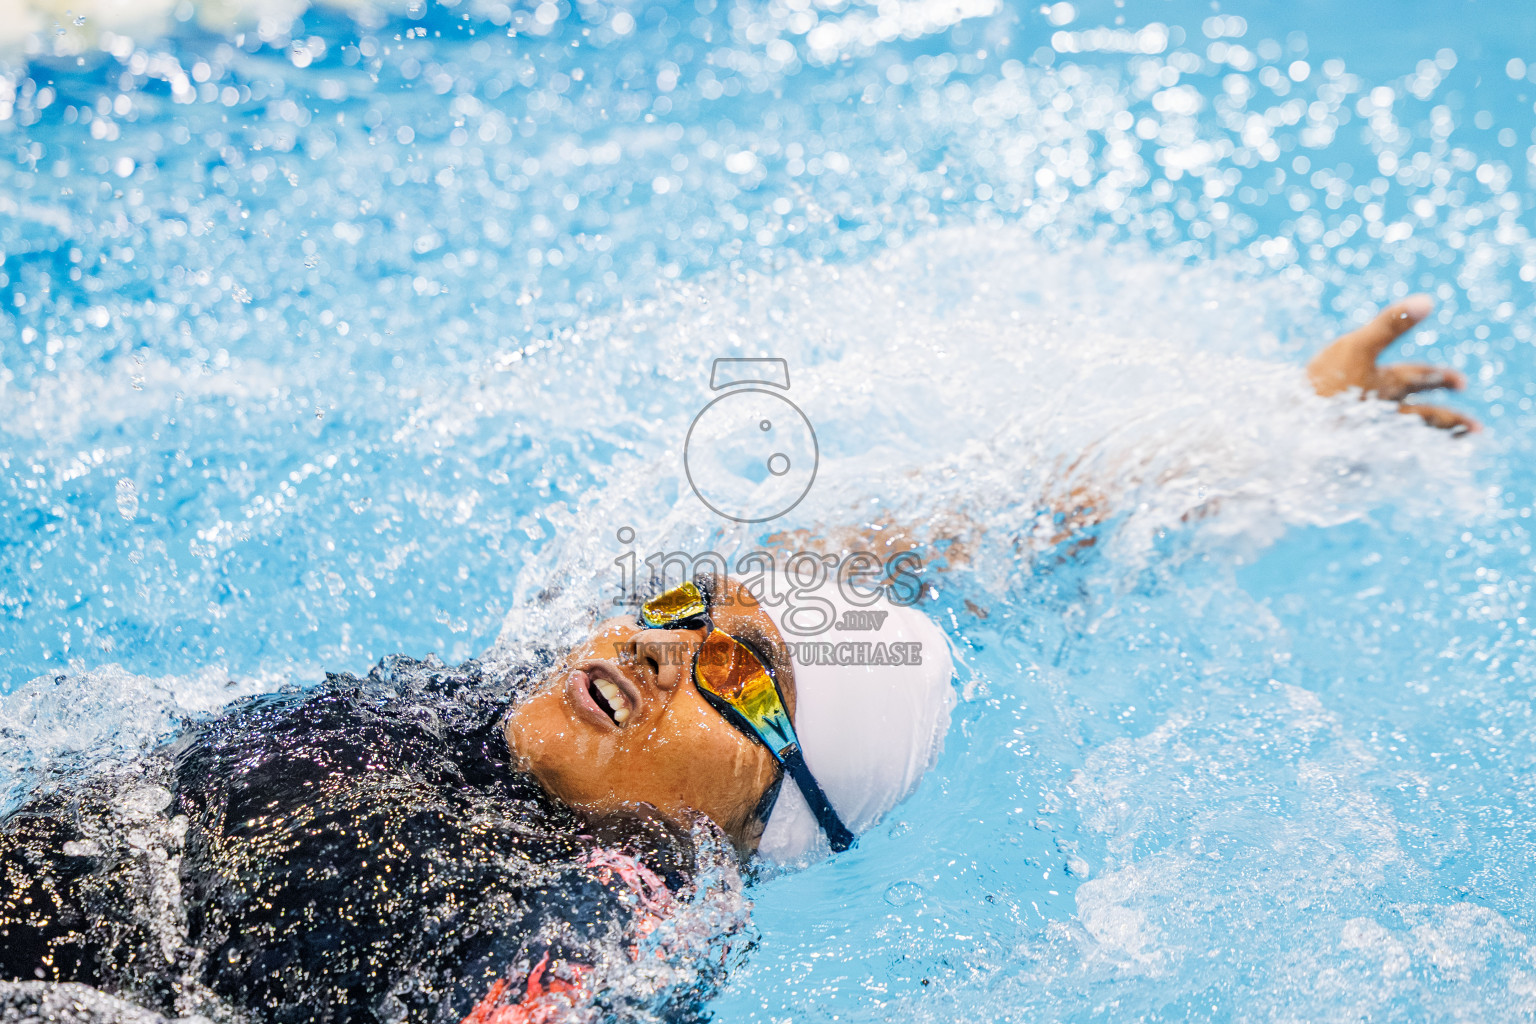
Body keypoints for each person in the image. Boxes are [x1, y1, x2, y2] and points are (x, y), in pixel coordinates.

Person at [0, 297, 1476, 1023]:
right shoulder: (527, 697)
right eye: (679, 607)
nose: (660, 648)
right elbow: (932, 544)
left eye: (742, 677)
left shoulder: (612, 908)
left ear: (771, 817)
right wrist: (1265, 434)